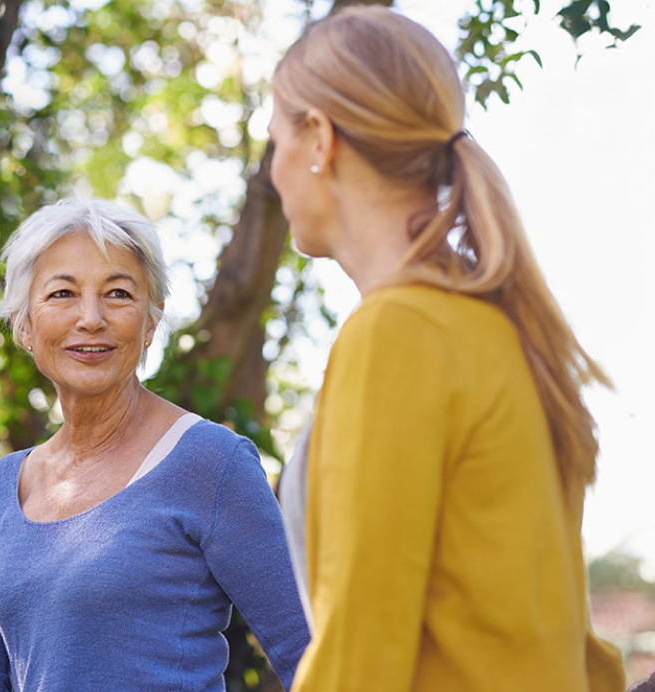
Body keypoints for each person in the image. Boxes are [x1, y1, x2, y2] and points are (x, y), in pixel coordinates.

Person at [267, 7, 625, 691]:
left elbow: (360, 656)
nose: (274, 172)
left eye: (275, 140)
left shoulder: (396, 335)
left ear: (319, 137)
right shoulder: (500, 327)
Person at [0, 198, 310, 691]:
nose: (90, 318)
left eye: (117, 293)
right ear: (24, 324)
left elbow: (308, 651)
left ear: (151, 322)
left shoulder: (210, 462)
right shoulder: (4, 487)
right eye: (62, 294)